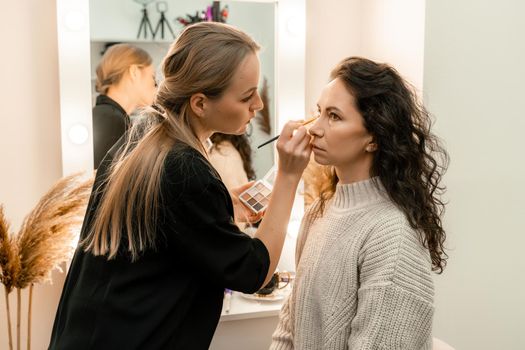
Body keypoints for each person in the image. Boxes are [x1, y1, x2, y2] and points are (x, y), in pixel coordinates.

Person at [49, 22, 312, 350]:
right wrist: (288, 176)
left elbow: (162, 222)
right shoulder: (184, 169)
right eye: (246, 96)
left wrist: (222, 205)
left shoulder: (145, 138)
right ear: (200, 103)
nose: (257, 104)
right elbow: (253, 271)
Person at [270, 57, 449, 350]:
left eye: (334, 116)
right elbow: (289, 329)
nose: (314, 128)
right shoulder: (319, 212)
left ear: (374, 139)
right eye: (319, 112)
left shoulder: (391, 237)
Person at [92, 43, 157, 169]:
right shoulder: (111, 120)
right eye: (153, 77)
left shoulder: (109, 116)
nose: (156, 85)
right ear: (134, 72)